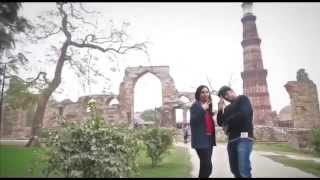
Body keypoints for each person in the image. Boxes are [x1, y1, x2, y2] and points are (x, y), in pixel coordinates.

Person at [216, 86, 254, 178]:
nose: (227, 97)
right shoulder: (228, 108)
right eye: (225, 96)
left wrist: (228, 123)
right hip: (232, 140)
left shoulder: (243, 99)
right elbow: (221, 123)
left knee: (243, 169)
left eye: (227, 93)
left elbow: (243, 115)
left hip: (244, 138)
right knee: (234, 169)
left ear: (232, 91)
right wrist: (220, 109)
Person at [190, 85, 216, 178]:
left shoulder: (208, 106)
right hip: (201, 140)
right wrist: (202, 109)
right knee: (208, 166)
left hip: (209, 139)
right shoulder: (195, 106)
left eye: (207, 92)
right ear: (198, 94)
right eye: (203, 92)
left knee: (204, 166)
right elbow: (193, 121)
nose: (205, 94)